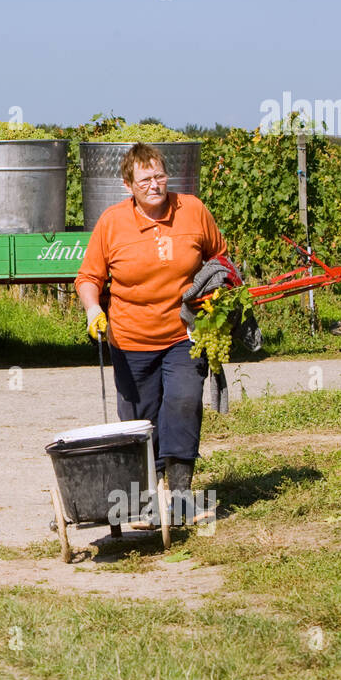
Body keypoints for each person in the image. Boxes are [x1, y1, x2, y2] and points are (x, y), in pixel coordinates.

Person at [74, 143, 229, 523]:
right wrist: (94, 309)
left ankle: (179, 498)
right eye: (145, 179)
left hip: (184, 333)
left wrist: (218, 297)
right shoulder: (112, 223)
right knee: (140, 421)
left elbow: (220, 259)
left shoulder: (192, 210)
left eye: (159, 176)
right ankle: (144, 499)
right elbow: (88, 278)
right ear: (129, 185)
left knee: (183, 403)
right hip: (131, 341)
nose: (155, 184)